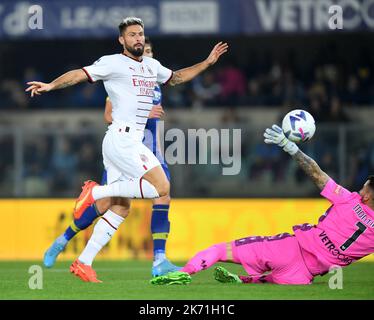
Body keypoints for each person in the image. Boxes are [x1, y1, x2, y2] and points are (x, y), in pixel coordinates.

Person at [26, 17, 228, 282]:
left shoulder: (151, 66)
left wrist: (207, 62)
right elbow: (79, 74)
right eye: (132, 35)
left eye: (140, 34)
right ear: (122, 40)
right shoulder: (112, 62)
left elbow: (177, 78)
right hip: (123, 140)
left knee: (121, 208)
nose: (138, 39)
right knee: (162, 188)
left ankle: (83, 262)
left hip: (125, 142)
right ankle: (96, 192)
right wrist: (51, 85)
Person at [151, 124, 374, 285]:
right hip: (304, 276)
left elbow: (316, 174)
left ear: (366, 196)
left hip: (290, 250)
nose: (359, 190)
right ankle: (243, 280)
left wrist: (290, 148)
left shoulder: (348, 200)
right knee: (268, 281)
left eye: (363, 188)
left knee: (221, 250)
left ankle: (184, 273)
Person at [43, 37, 180, 279]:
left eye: (149, 51)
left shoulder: (154, 82)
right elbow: (109, 115)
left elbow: (171, 86)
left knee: (161, 197)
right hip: (125, 148)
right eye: (143, 50)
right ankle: (63, 239)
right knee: (113, 205)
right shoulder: (124, 79)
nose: (146, 54)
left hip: (149, 149)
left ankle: (159, 259)